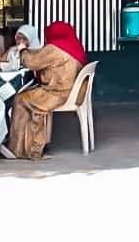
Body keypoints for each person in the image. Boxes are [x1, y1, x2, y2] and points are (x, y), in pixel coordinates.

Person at [6, 22, 88, 160]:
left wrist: (22, 50)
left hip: (58, 93)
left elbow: (32, 62)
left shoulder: (55, 48)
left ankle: (21, 150)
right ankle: (32, 146)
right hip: (73, 91)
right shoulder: (73, 45)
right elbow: (42, 57)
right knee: (28, 95)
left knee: (20, 99)